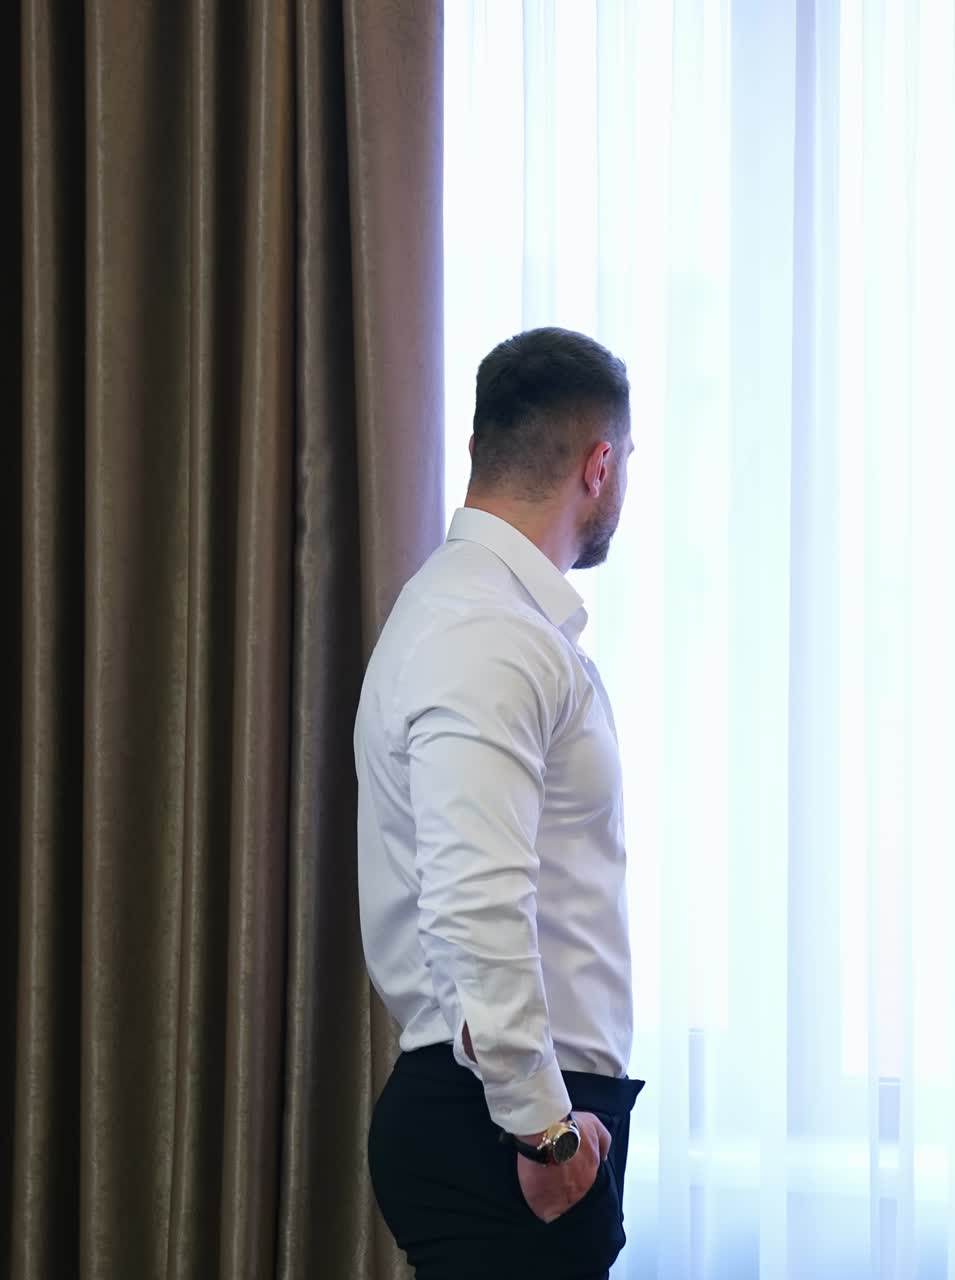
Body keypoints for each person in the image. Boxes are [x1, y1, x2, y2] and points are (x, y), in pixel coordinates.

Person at [354, 327, 642, 1279]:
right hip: (510, 1139)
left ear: (479, 450)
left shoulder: (470, 616)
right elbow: (476, 904)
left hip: (508, 1121)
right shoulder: (486, 631)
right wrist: (547, 1136)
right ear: (599, 466)